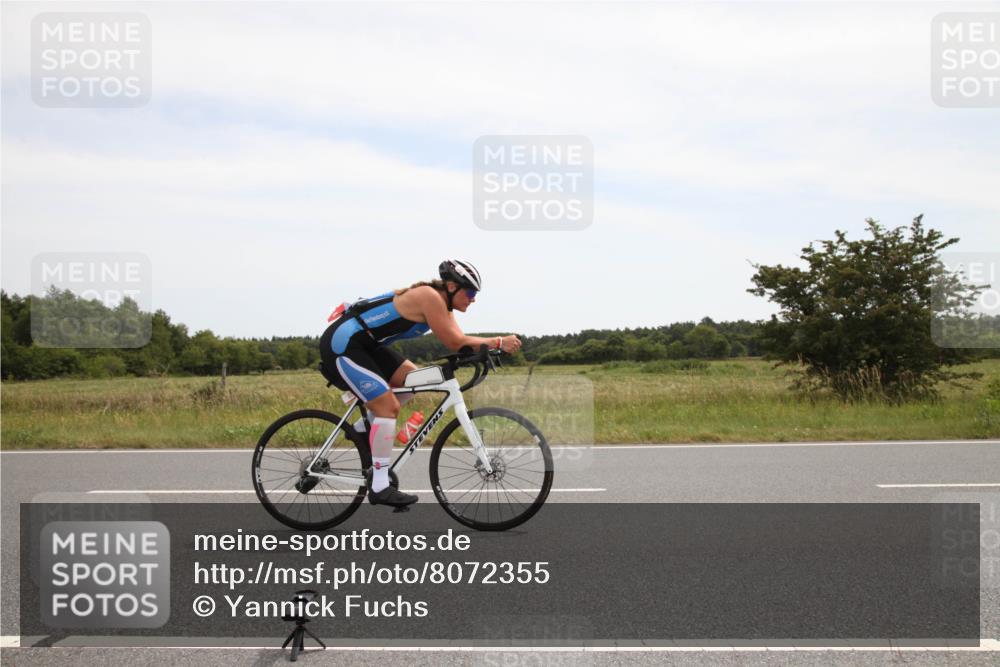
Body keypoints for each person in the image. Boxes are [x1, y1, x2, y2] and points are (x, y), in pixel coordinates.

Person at [319, 260, 522, 508]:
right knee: (388, 407)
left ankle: (364, 429)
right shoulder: (430, 297)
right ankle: (380, 486)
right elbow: (454, 341)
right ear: (451, 286)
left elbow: (461, 341)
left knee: (413, 380)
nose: (473, 299)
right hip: (344, 344)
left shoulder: (443, 305)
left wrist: (482, 352)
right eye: (469, 292)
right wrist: (499, 342)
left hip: (368, 346)